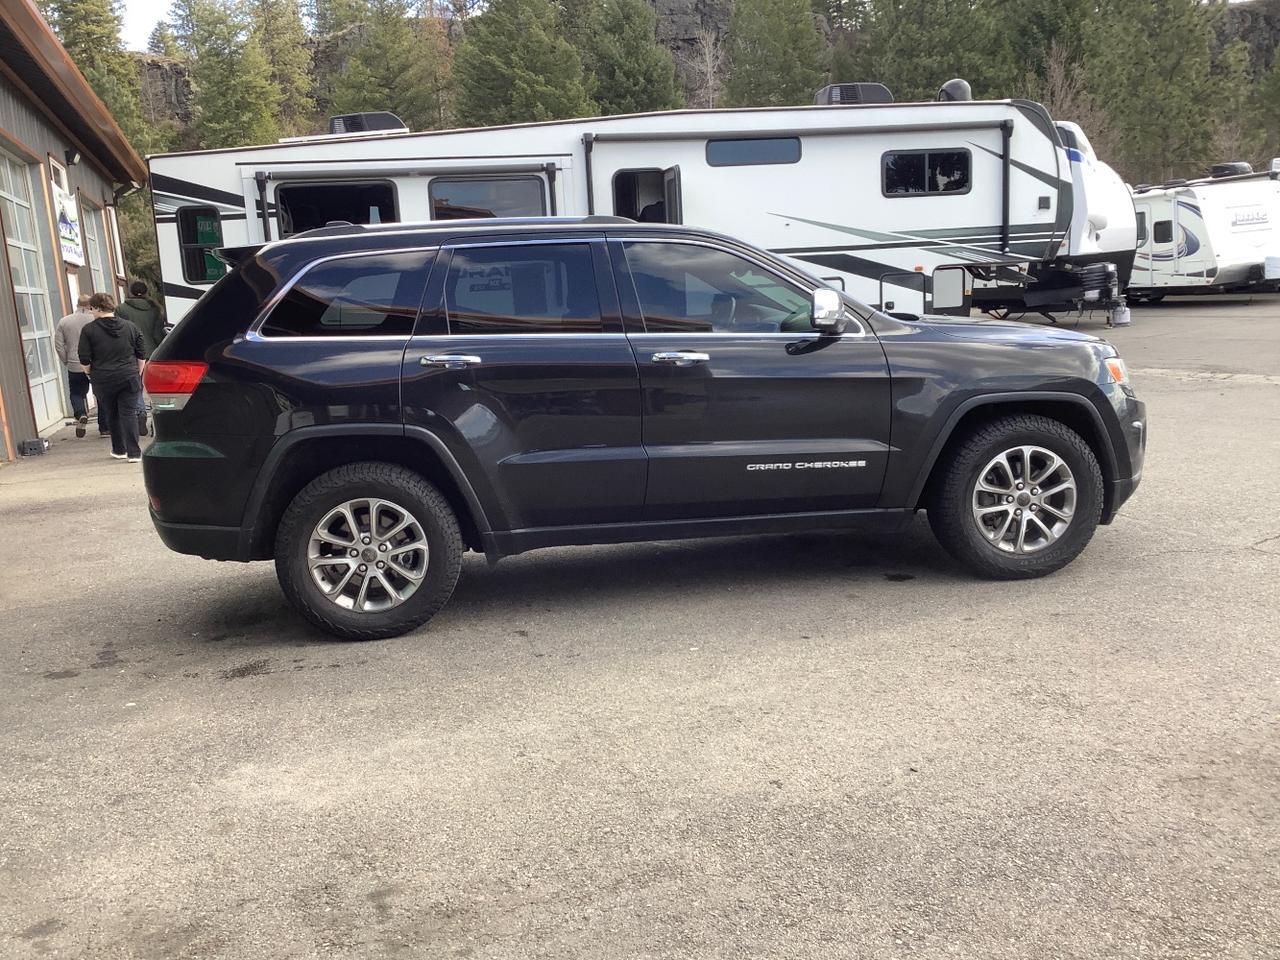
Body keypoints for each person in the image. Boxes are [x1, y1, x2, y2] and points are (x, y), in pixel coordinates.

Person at [78, 292, 146, 462]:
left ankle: (119, 449)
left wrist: (89, 373)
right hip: (129, 375)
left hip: (103, 378)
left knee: (112, 413)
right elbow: (141, 354)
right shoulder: (131, 327)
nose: (91, 312)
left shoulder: (88, 330)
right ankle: (134, 452)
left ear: (97, 308)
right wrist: (137, 372)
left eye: (92, 309)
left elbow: (84, 358)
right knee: (129, 413)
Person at [115, 280, 165, 438]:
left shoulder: (121, 309)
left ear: (129, 292)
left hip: (130, 353)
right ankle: (157, 417)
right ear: (146, 291)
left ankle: (140, 412)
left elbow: (118, 332)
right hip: (152, 352)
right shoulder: (155, 309)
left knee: (136, 387)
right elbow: (158, 334)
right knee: (155, 387)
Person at [54, 294, 108, 439]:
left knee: (77, 393)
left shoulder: (64, 321)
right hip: (96, 363)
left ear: (77, 304)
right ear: (90, 305)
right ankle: (104, 428)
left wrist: (66, 360)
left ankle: (81, 413)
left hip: (75, 364)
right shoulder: (96, 320)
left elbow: (58, 344)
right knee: (101, 394)